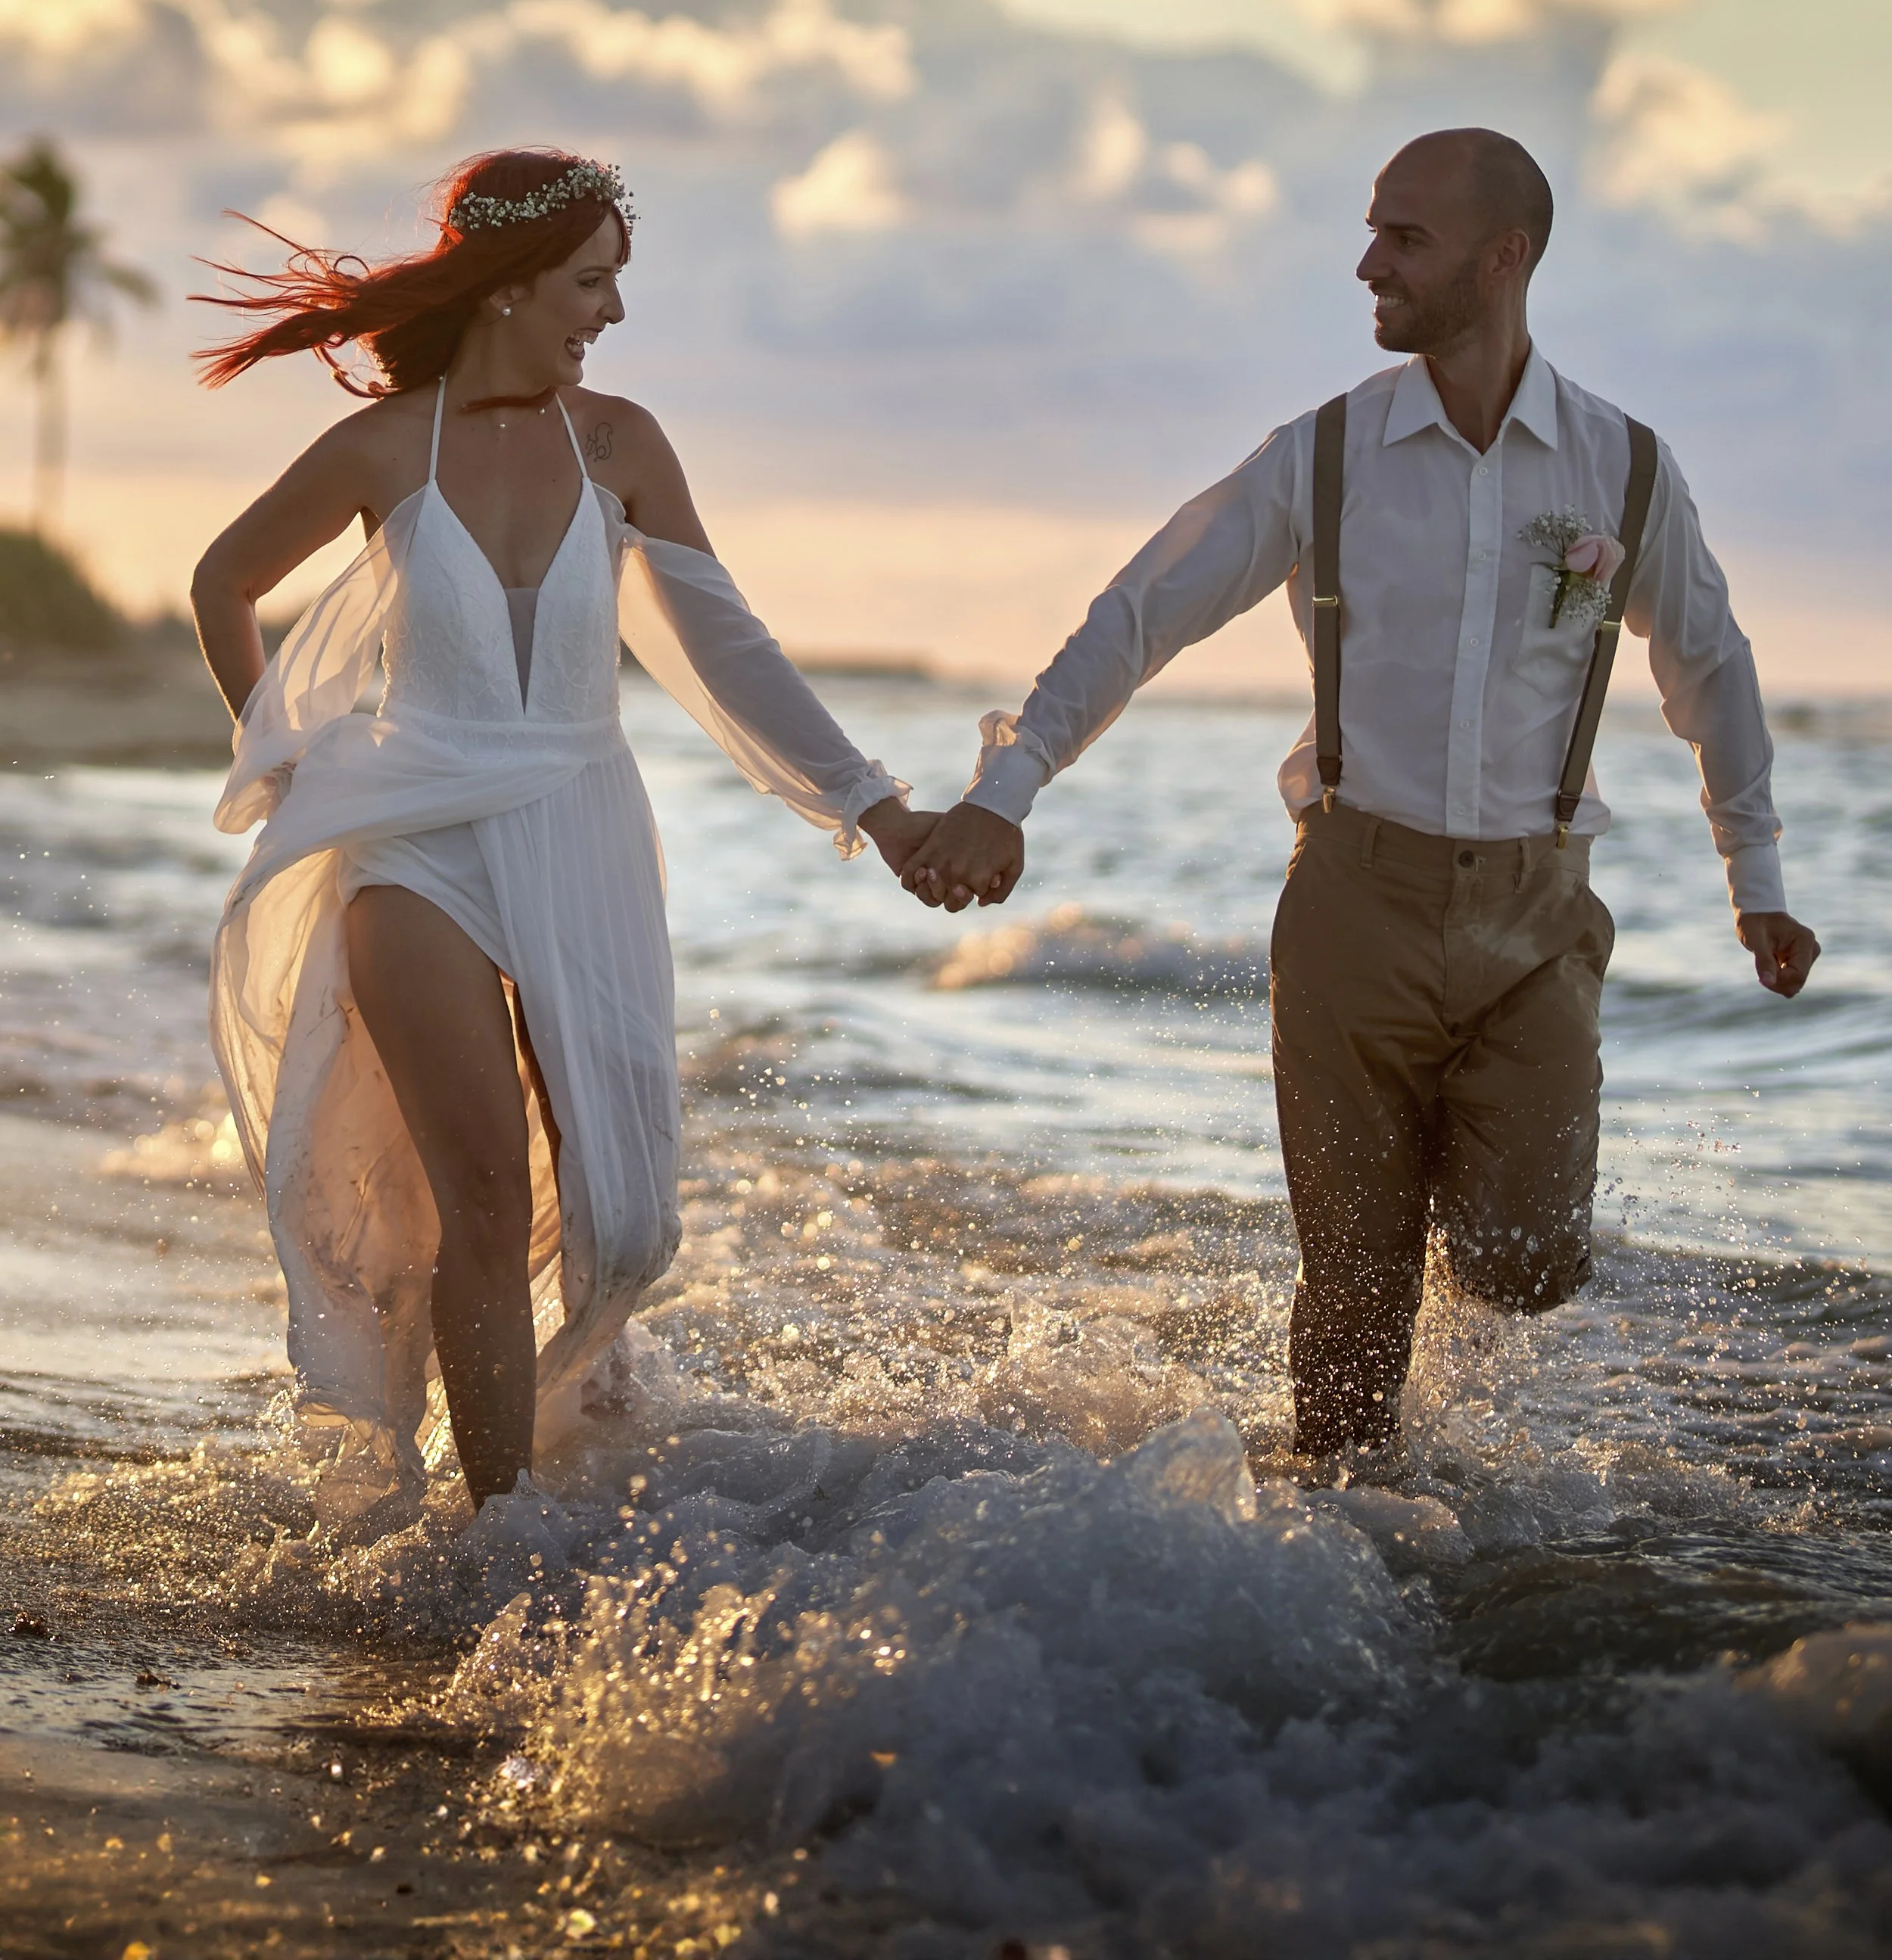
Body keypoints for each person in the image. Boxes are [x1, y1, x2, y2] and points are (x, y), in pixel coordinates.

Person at [899, 129, 1820, 1466]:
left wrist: (1760, 884)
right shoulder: (1321, 456)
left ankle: (1444, 1265)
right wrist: (1007, 788)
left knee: (1525, 1262)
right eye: (1373, 231)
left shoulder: (1621, 470)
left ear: (1503, 260)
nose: (1366, 264)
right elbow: (1141, 613)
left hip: (1536, 919)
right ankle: (1351, 1552)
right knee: (1351, 1290)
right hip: (1351, 908)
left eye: (1404, 239)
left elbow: (1712, 673)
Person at [191, 148, 935, 1519]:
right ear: (512, 285)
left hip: (582, 823)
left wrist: (878, 813)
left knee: (622, 1217)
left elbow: (727, 646)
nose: (611, 312)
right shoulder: (383, 446)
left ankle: (570, 1411)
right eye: (593, 282)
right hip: (412, 837)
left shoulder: (622, 445)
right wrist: (291, 768)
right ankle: (501, 1530)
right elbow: (223, 581)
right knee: (476, 1190)